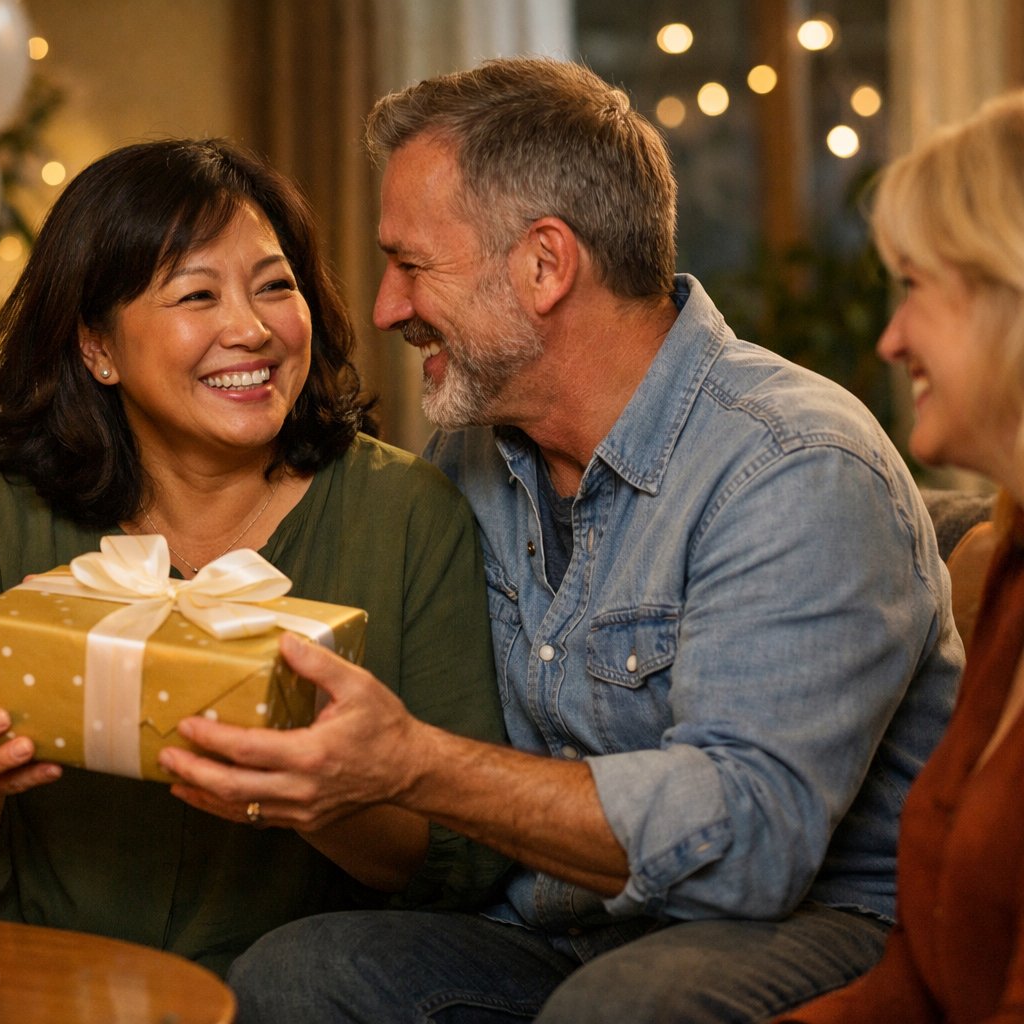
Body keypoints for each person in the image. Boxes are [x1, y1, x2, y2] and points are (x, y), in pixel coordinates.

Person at [147, 58, 963, 1022]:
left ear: (544, 264)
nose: (384, 309)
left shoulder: (792, 464)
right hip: (561, 926)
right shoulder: (472, 456)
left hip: (815, 921)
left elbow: (751, 842)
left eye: (412, 265)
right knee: (297, 970)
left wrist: (418, 764)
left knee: (619, 1007)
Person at [0, 137, 509, 976]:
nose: (250, 329)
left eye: (276, 286)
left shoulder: (408, 515)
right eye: (195, 295)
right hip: (41, 981)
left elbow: (455, 865)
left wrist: (318, 794)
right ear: (97, 346)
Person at [773, 90, 1024, 1024]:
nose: (889, 337)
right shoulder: (1010, 562)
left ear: (1010, 297)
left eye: (914, 287)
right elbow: (927, 976)